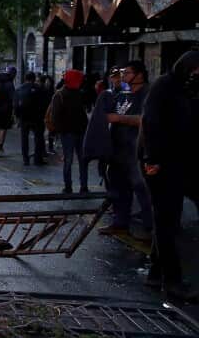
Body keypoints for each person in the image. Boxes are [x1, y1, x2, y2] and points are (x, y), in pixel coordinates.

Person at [139, 50, 199, 301]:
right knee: (167, 220)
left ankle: (156, 271)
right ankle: (171, 281)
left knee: (167, 220)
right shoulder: (165, 86)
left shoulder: (191, 91)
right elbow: (151, 122)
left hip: (185, 162)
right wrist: (152, 160)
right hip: (162, 163)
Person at [102, 60, 152, 241]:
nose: (124, 76)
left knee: (142, 189)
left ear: (139, 75)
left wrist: (119, 118)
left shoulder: (147, 94)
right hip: (118, 150)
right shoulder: (123, 93)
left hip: (137, 151)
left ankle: (150, 229)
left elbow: (145, 119)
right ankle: (120, 223)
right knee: (118, 188)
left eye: (128, 73)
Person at [49, 69, 90, 194]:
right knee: (76, 160)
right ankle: (78, 186)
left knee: (71, 160)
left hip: (71, 132)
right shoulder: (65, 94)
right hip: (73, 132)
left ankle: (71, 186)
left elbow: (55, 116)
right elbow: (55, 116)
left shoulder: (64, 94)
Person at [14, 72, 49, 165]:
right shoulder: (40, 89)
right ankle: (37, 159)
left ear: (25, 78)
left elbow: (16, 105)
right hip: (37, 118)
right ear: (34, 79)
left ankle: (25, 159)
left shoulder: (19, 89)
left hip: (24, 117)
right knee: (38, 138)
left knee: (24, 139)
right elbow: (45, 104)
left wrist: (17, 117)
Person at [0, 69, 16, 153]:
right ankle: (0, 145)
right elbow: (12, 98)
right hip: (6, 110)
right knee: (3, 128)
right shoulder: (10, 84)